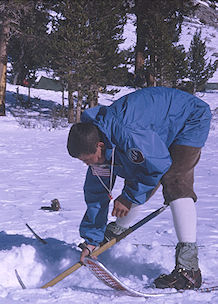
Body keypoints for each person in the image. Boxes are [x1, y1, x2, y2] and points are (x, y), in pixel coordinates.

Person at [66, 87, 211, 290]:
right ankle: (112, 233)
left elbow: (157, 165)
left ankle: (189, 270)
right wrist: (92, 239)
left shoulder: (126, 134)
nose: (88, 165)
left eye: (88, 160)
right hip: (155, 130)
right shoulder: (98, 141)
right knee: (139, 174)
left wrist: (127, 197)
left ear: (100, 145)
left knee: (175, 181)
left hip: (189, 118)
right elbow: (96, 193)